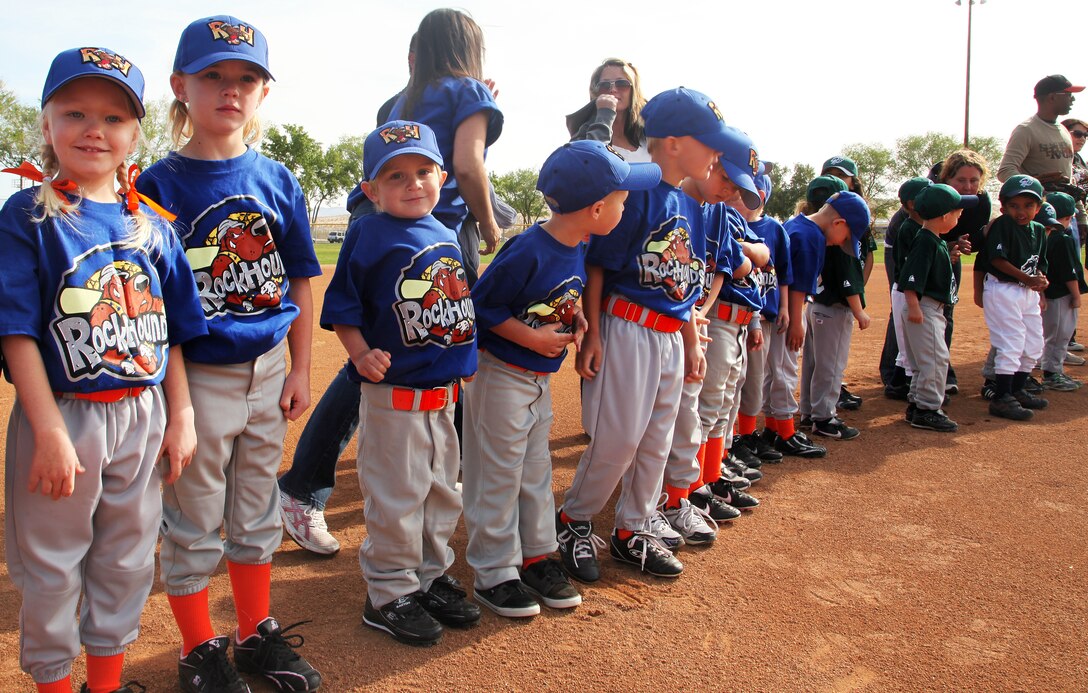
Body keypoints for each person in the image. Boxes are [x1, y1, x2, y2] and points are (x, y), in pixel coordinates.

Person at [0, 47, 205, 693]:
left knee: (125, 558)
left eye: (115, 117)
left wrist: (184, 416)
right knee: (54, 564)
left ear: (135, 133)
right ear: (47, 123)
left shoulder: (154, 226)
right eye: (76, 112)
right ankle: (57, 682)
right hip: (63, 412)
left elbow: (172, 334)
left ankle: (107, 683)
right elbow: (16, 331)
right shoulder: (28, 216)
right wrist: (50, 432)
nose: (95, 129)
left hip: (144, 414)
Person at [136, 15, 323, 692]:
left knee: (256, 509)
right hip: (201, 373)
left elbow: (301, 277)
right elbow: (153, 308)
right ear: (180, 86)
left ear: (263, 92)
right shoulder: (157, 185)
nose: (230, 89)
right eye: (213, 75)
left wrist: (301, 367)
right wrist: (176, 403)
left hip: (269, 365)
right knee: (192, 516)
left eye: (246, 77)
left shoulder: (277, 178)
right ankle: (197, 649)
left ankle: (253, 634)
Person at [463, 140, 661, 616]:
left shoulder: (577, 243)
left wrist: (574, 320)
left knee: (535, 474)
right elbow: (480, 309)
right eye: (620, 198)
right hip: (503, 378)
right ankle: (493, 573)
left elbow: (550, 299)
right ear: (595, 209)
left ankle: (535, 557)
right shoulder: (530, 248)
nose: (626, 203)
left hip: (536, 382)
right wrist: (530, 339)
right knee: (498, 477)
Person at [557, 87, 728, 582]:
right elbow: (597, 266)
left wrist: (691, 341)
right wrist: (590, 334)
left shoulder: (688, 204)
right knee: (619, 438)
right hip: (627, 325)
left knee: (656, 438)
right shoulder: (637, 193)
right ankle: (575, 519)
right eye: (708, 141)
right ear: (672, 143)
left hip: (671, 334)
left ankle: (633, 529)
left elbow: (685, 287)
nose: (716, 153)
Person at [322, 120, 479, 646]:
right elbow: (343, 305)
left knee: (441, 495)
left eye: (422, 171)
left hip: (442, 397)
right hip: (394, 397)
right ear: (371, 190)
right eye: (395, 176)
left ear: (441, 177)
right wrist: (360, 353)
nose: (412, 184)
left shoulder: (446, 233)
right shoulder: (370, 231)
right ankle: (388, 593)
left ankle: (429, 578)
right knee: (397, 498)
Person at [771, 192, 870, 456]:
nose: (843, 243)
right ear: (838, 224)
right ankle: (784, 432)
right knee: (785, 370)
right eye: (847, 237)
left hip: (776, 312)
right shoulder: (811, 236)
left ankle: (777, 428)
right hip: (785, 316)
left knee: (778, 372)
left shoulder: (796, 224)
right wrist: (796, 323)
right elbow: (796, 287)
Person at [897, 184, 978, 432]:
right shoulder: (925, 241)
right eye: (957, 211)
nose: (960, 215)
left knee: (925, 360)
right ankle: (928, 409)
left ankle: (917, 405)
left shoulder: (934, 240)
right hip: (924, 308)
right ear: (944, 216)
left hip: (929, 307)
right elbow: (910, 279)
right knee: (935, 359)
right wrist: (914, 307)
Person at [734, 169, 792, 466]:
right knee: (736, 381)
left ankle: (746, 435)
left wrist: (784, 308)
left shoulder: (773, 230)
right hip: (738, 317)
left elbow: (782, 271)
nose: (738, 198)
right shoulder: (728, 223)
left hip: (762, 317)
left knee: (755, 379)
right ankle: (735, 439)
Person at [982, 175, 1050, 421]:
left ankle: (1018, 389)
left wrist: (1041, 280)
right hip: (1003, 289)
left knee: (1034, 342)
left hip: (1026, 291)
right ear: (1003, 207)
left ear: (1038, 207)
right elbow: (997, 260)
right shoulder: (1002, 225)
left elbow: (1039, 265)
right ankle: (1001, 397)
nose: (1021, 211)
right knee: (1012, 341)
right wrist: (1027, 278)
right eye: (1014, 205)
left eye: (1028, 205)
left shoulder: (1040, 230)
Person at [936, 150, 990, 393]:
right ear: (947, 178)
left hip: (952, 257)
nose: (968, 186)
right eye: (961, 180)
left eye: (974, 181)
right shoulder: (935, 196)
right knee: (908, 310)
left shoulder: (981, 202)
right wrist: (948, 245)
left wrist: (969, 242)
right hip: (919, 255)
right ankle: (897, 374)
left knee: (946, 312)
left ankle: (942, 369)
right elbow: (921, 235)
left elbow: (974, 241)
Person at [997, 75, 1082, 186]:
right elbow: (1005, 171)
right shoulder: (1026, 130)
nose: (1073, 99)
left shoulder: (1063, 130)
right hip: (1041, 202)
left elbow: (1068, 176)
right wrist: (1034, 185)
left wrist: (1077, 202)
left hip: (1066, 201)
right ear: (1052, 97)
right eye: (1069, 95)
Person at [1039, 193, 1086, 391]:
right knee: (1060, 336)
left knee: (1049, 334)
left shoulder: (1042, 236)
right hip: (1062, 296)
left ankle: (1048, 368)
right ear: (1067, 217)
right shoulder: (1063, 239)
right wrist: (1076, 296)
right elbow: (1070, 273)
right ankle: (1052, 374)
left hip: (1047, 294)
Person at [566, 58, 649, 161]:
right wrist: (605, 115)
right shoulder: (584, 135)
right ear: (596, 92)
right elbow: (589, 163)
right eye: (604, 85)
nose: (613, 90)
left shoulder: (649, 132)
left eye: (622, 84)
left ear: (633, 91)